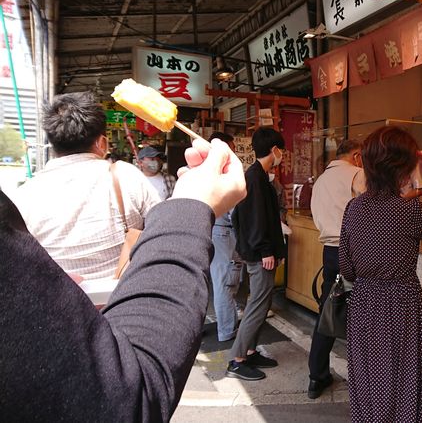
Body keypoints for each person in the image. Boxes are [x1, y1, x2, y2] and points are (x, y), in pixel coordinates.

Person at [0, 138, 246, 421]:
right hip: (128, 294)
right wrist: (193, 205)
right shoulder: (124, 175)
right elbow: (127, 397)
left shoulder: (27, 191)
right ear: (101, 141)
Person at [340, 126, 422, 422]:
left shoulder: (354, 208)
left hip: (363, 300)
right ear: (403, 167)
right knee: (403, 374)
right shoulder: (406, 211)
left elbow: (347, 267)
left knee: (367, 375)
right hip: (402, 300)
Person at [10, 92, 160, 281]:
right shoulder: (126, 175)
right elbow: (162, 229)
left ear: (52, 143)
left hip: (58, 304)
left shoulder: (24, 195)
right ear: (102, 143)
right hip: (124, 300)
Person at [307, 139, 365, 399]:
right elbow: (371, 210)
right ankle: (365, 379)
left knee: (328, 313)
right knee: (363, 314)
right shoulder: (357, 174)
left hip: (329, 252)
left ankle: (316, 376)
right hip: (354, 250)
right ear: (356, 155)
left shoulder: (320, 180)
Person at [228, 127, 286, 381]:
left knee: (261, 304)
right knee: (257, 305)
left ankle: (250, 350)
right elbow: (255, 220)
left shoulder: (259, 176)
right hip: (259, 253)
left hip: (260, 251)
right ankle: (237, 359)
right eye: (281, 150)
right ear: (274, 150)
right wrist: (265, 250)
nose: (282, 155)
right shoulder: (254, 178)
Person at [207, 132, 240, 342]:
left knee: (224, 280)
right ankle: (227, 330)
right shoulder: (221, 173)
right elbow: (234, 212)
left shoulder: (206, 170)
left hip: (216, 230)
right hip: (224, 231)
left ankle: (228, 325)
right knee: (225, 282)